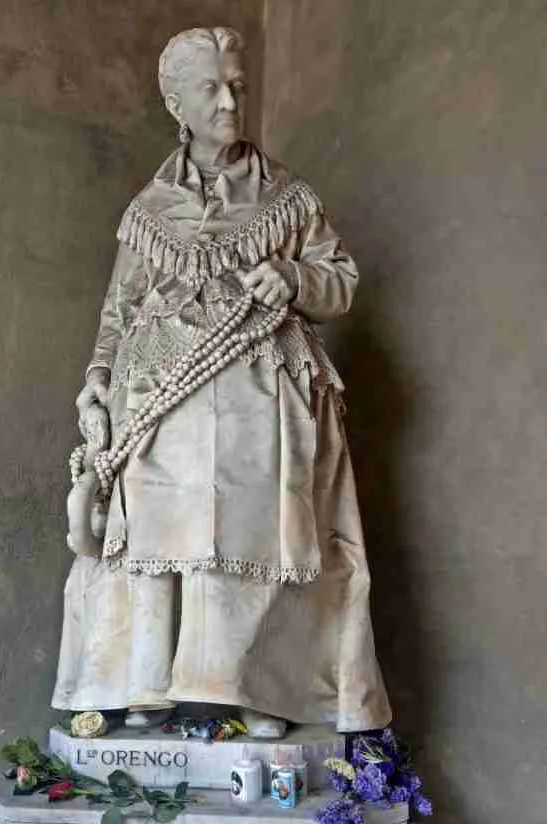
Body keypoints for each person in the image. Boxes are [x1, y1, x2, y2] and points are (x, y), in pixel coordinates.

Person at [53, 26, 391, 737]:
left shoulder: (290, 198)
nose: (231, 102)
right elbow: (117, 311)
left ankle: (253, 690)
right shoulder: (148, 212)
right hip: (159, 394)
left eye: (238, 84)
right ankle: (142, 682)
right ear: (176, 103)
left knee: (255, 526)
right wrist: (97, 378)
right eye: (211, 88)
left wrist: (296, 277)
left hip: (259, 390)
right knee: (148, 528)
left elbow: (342, 283)